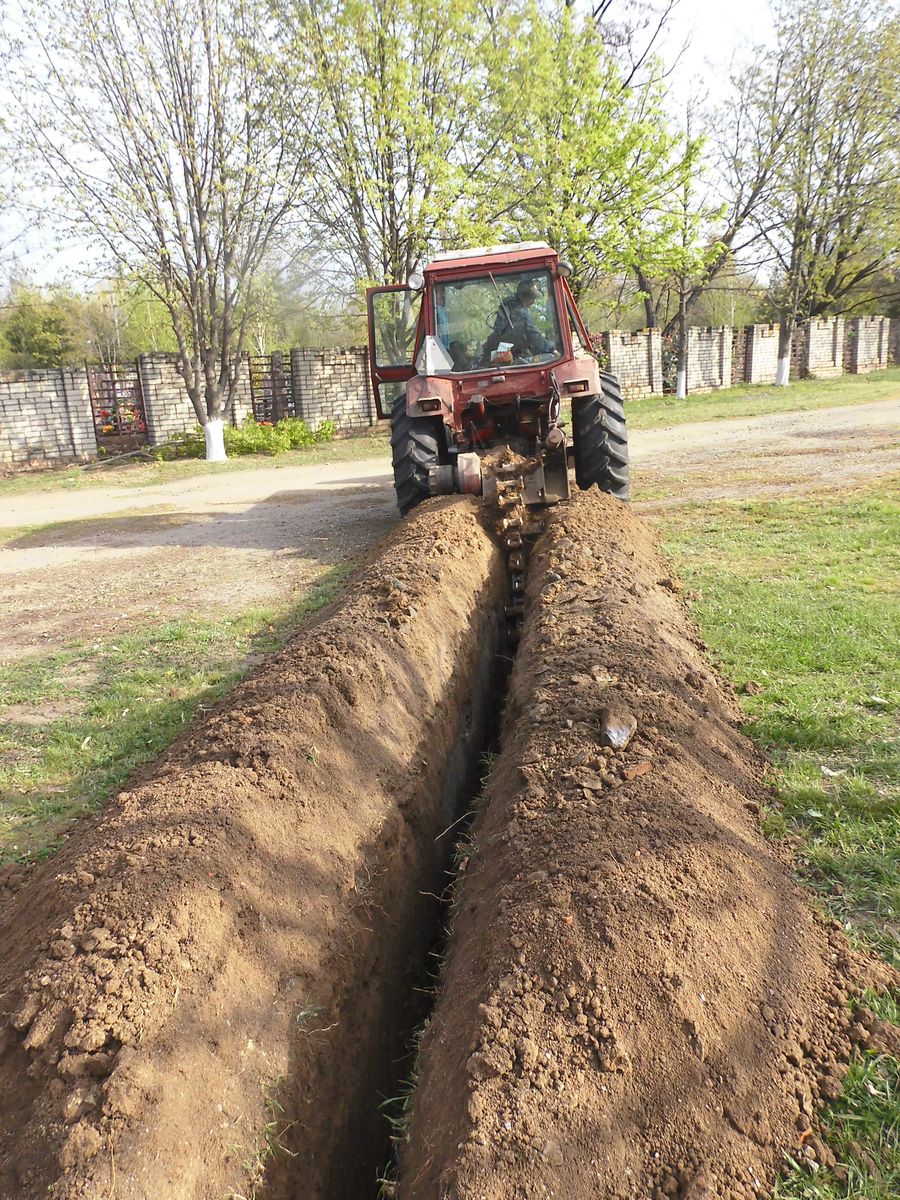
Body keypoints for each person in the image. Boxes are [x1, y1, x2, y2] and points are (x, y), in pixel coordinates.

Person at [487, 279, 558, 360]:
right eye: (531, 298)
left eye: (534, 298)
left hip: (500, 351)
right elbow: (533, 334)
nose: (533, 302)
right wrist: (553, 350)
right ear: (521, 296)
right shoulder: (520, 312)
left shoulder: (508, 304)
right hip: (507, 354)